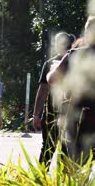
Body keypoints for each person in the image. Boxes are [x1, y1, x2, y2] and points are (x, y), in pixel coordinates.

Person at [47, 15, 95, 163]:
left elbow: (52, 79)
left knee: (76, 167)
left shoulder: (75, 55)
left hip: (81, 117)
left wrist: (55, 69)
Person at [32, 32, 74, 168]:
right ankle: (64, 180)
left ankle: (41, 179)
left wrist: (36, 115)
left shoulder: (50, 64)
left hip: (52, 112)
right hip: (72, 113)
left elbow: (43, 91)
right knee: (66, 149)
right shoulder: (78, 62)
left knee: (48, 147)